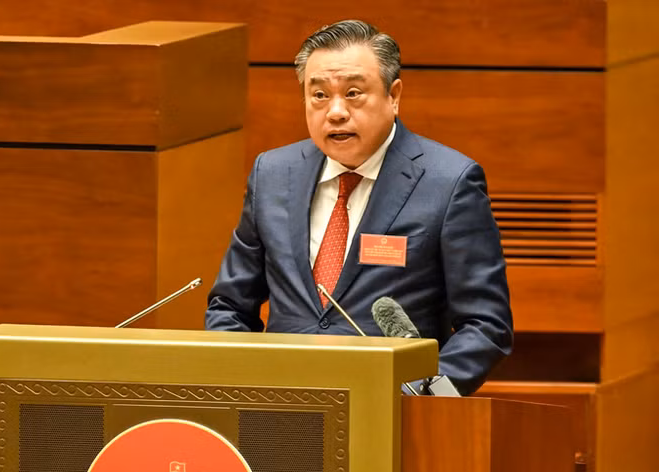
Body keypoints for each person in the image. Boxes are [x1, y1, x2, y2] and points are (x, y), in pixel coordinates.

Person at [204, 19, 513, 396]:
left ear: (393, 95)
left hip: (391, 414)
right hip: (281, 410)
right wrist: (241, 384)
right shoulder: (272, 173)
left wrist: (424, 398)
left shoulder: (449, 182)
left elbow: (486, 325)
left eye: (353, 93)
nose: (335, 112)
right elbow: (230, 305)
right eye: (319, 95)